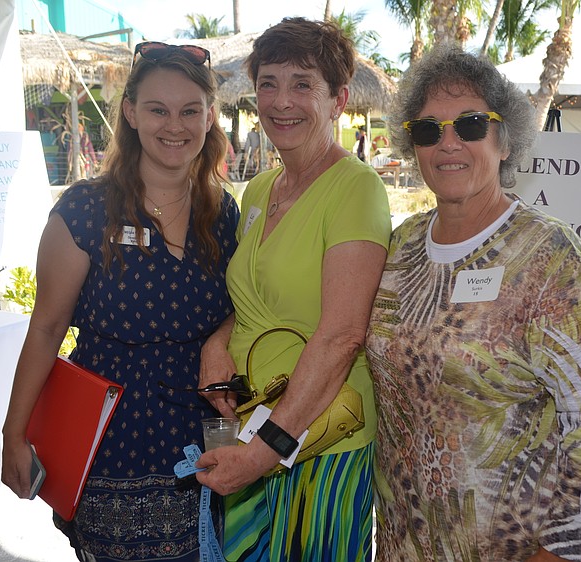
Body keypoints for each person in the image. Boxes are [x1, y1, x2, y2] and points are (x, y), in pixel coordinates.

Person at [365, 45, 581, 562]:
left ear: (504, 140)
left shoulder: (549, 254)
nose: (448, 143)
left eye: (469, 125)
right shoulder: (401, 246)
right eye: (428, 130)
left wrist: (562, 552)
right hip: (402, 540)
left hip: (513, 548)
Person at [1, 41, 239, 562]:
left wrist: (218, 341)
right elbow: (46, 328)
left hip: (198, 437)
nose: (174, 125)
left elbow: (238, 309)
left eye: (189, 111)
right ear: (130, 113)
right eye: (157, 110)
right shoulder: (86, 211)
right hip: (108, 439)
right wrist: (13, 434)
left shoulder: (223, 213)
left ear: (209, 117)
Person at [195, 17, 391, 561]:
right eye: (269, 83)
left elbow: (343, 335)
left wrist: (264, 453)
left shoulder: (356, 189)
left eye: (303, 84)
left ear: (338, 100)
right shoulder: (260, 188)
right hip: (249, 425)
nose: (282, 101)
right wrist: (217, 342)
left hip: (318, 438)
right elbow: (252, 297)